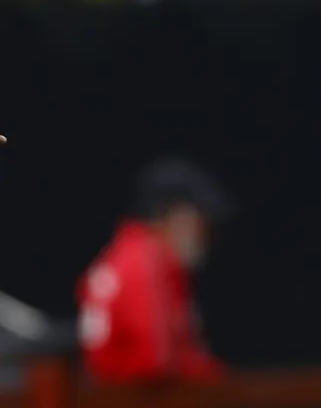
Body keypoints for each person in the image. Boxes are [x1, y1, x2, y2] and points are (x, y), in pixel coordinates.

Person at [76, 156, 233, 386]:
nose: (207, 235)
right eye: (202, 222)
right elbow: (155, 363)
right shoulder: (145, 264)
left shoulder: (127, 254)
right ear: (176, 216)